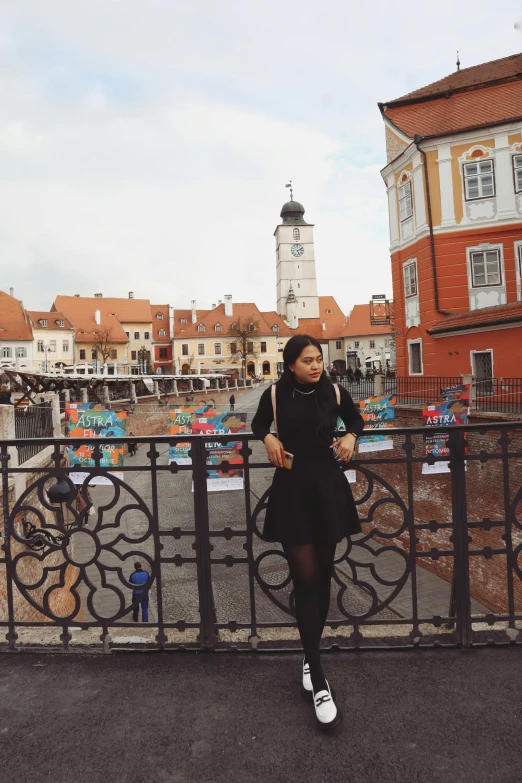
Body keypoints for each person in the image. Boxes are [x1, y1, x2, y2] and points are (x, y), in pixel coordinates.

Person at [252, 334, 363, 731]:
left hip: (328, 489)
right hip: (293, 490)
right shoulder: (276, 393)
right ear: (291, 364)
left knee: (325, 576)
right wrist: (267, 437)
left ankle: (308, 657)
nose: (316, 365)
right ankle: (319, 681)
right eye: (308, 360)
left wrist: (350, 435)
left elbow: (355, 419)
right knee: (306, 579)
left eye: (318, 359)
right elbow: (258, 423)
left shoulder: (334, 390)